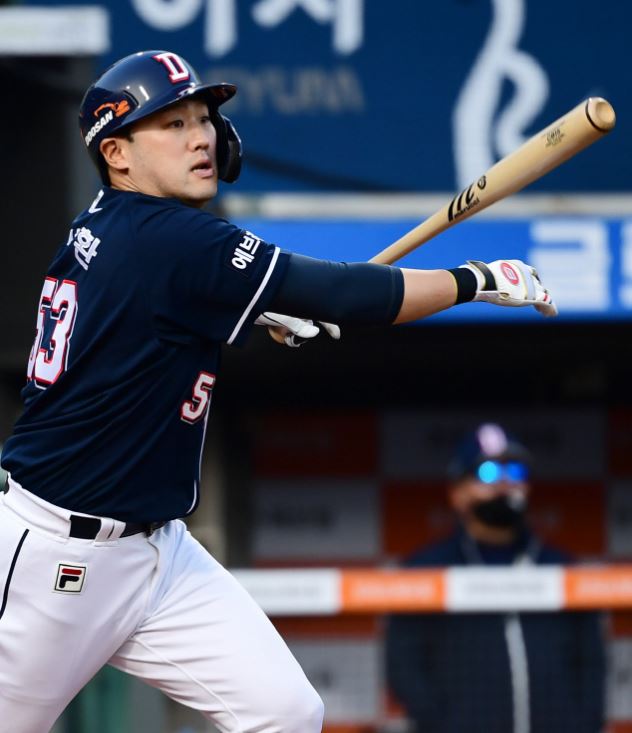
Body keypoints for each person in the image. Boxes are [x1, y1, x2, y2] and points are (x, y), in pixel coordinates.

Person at [0, 50, 556, 733]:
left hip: (158, 554)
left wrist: (263, 310)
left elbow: (158, 318)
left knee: (286, 712)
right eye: (172, 124)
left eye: (202, 119)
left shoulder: (115, 224)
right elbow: (350, 294)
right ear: (116, 153)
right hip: (59, 558)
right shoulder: (172, 238)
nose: (201, 137)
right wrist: (475, 279)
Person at [385, 422, 606, 733]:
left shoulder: (562, 568)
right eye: (487, 473)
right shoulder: (426, 570)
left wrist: (581, 725)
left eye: (515, 472)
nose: (504, 483)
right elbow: (404, 668)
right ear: (457, 493)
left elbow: (592, 667)